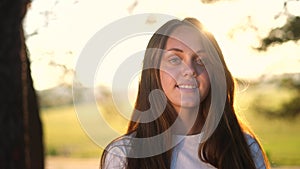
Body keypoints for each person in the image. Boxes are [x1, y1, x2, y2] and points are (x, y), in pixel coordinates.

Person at [100, 17, 271, 169]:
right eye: (174, 59)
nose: (189, 70)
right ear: (154, 72)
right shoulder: (123, 156)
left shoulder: (245, 147)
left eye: (201, 60)